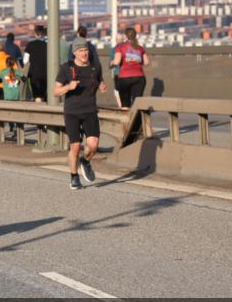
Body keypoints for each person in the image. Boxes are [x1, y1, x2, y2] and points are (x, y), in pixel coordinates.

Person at [54, 37, 107, 190]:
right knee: (75, 146)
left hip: (90, 111)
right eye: (81, 51)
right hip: (72, 112)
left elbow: (99, 82)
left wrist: (102, 87)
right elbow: (55, 91)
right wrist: (68, 88)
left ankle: (85, 161)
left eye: (86, 50)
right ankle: (74, 177)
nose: (85, 53)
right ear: (75, 53)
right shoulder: (66, 68)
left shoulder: (95, 67)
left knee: (93, 145)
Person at [111, 27, 150, 109]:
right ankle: (137, 121)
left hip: (124, 78)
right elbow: (146, 62)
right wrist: (136, 61)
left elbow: (116, 62)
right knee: (137, 103)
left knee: (125, 103)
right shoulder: (140, 48)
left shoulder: (120, 47)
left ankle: (127, 121)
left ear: (125, 36)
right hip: (139, 77)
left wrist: (111, 63)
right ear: (135, 36)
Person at [23, 25, 48, 102]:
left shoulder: (30, 45)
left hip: (34, 74)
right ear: (44, 33)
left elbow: (25, 61)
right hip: (46, 73)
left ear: (35, 33)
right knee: (44, 95)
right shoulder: (48, 45)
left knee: (37, 95)